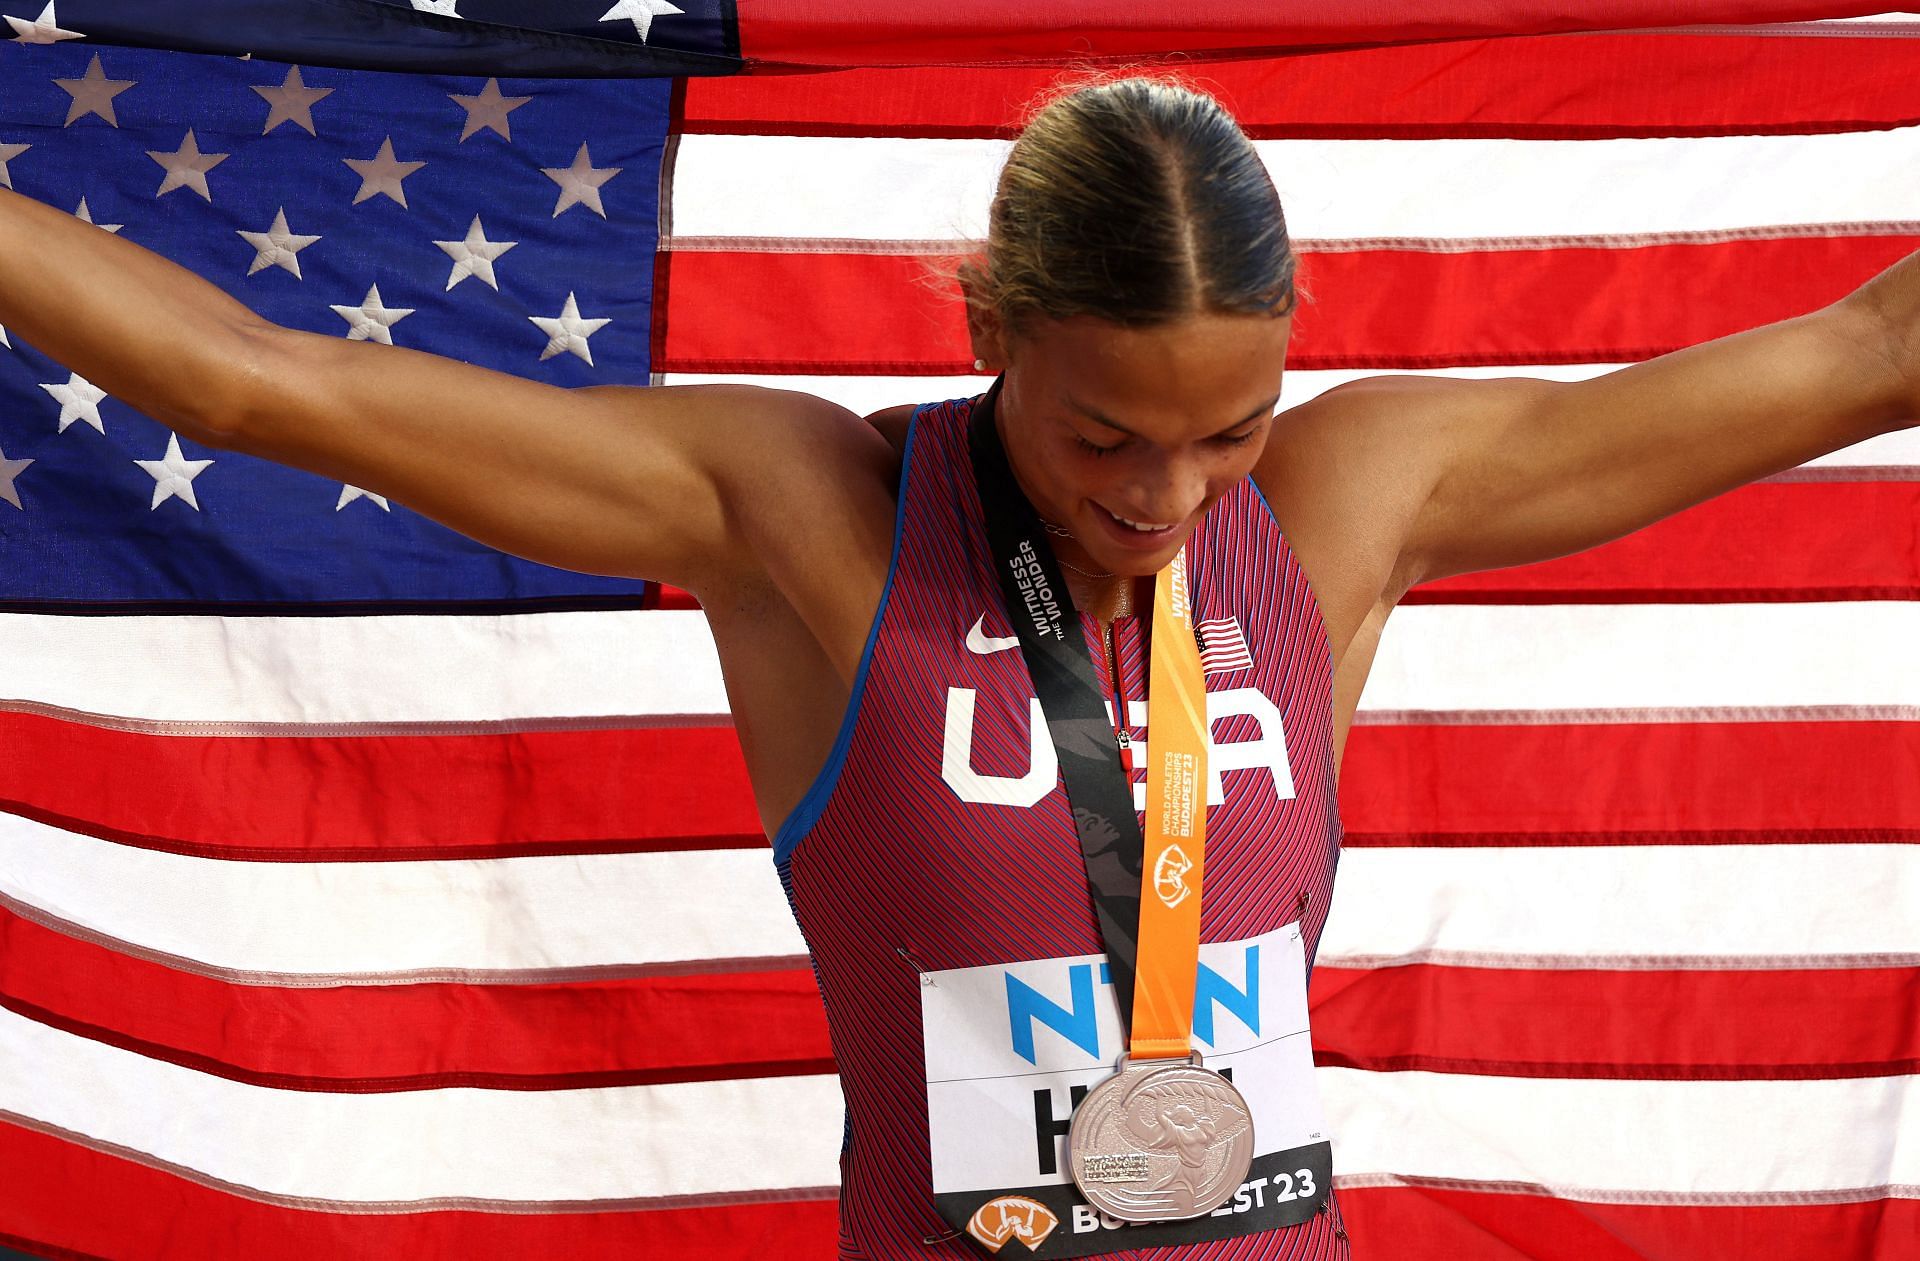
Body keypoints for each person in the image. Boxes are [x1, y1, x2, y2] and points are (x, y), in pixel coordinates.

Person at [2, 72, 1915, 1259]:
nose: (1167, 496)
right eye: (1104, 439)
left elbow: (1860, 350)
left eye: (1229, 429)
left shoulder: (1354, 497)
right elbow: (261, 379)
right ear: (997, 326)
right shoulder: (806, 510)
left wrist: (1260, 467)